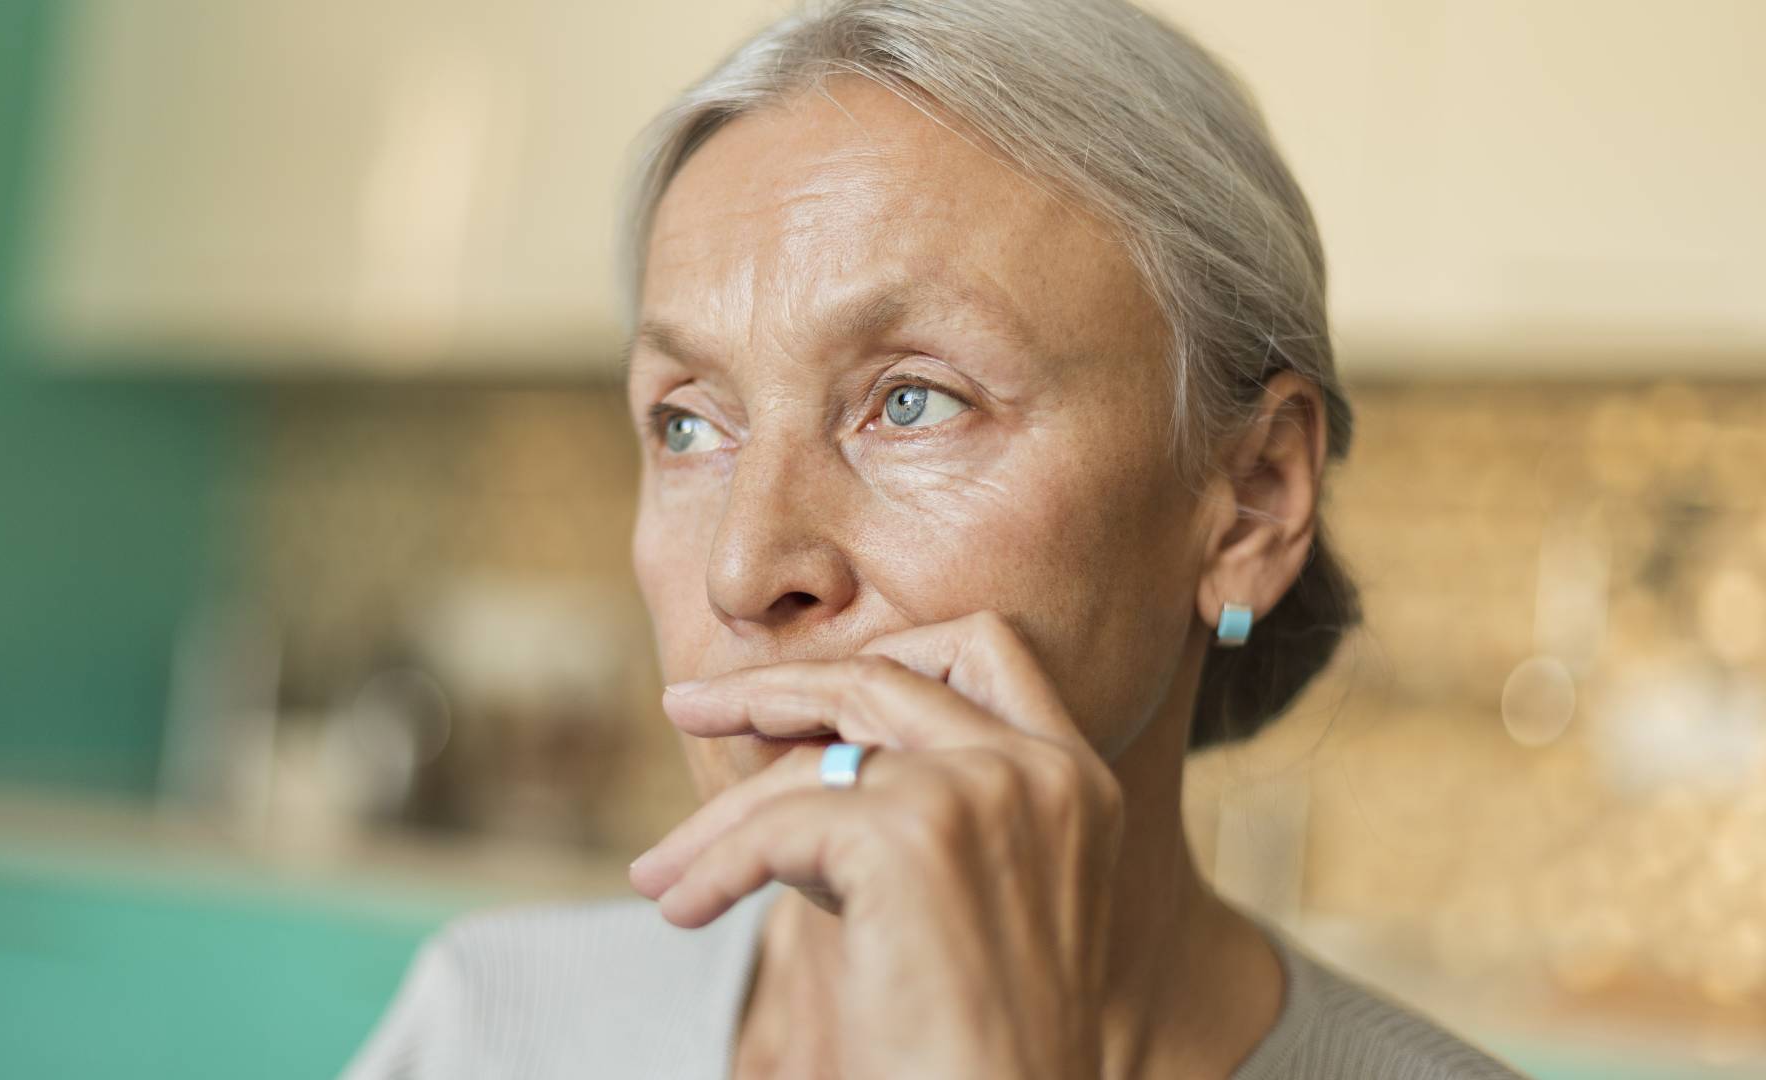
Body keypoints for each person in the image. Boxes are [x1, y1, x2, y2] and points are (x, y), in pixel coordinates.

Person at [343, 1, 1526, 1076]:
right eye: (689, 422)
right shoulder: (487, 1029)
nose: (745, 574)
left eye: (914, 400)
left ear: (1253, 502)